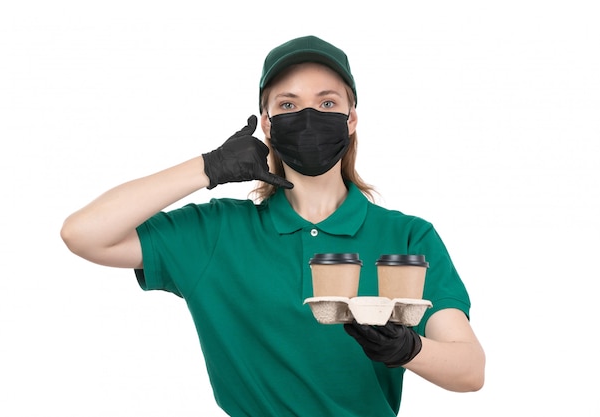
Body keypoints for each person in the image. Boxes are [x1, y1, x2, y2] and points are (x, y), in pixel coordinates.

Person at [61, 35, 485, 416]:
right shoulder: (217, 232)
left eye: (327, 103)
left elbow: (470, 369)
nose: (308, 116)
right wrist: (208, 168)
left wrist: (407, 349)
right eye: (288, 104)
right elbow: (83, 234)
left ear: (351, 120)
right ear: (266, 123)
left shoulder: (408, 237)